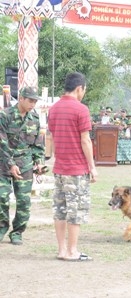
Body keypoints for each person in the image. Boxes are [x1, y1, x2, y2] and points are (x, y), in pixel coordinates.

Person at [47, 72, 98, 261]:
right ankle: (72, 251)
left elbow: (50, 137)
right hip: (76, 170)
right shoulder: (81, 109)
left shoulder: (53, 109)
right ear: (79, 88)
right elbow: (85, 140)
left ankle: (61, 250)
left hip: (59, 168)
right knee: (76, 212)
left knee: (60, 210)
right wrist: (92, 167)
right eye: (84, 90)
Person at [0, 87, 45, 245]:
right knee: (2, 198)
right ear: (21, 98)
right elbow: (2, 142)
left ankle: (17, 232)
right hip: (3, 165)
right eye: (30, 100)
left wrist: (39, 162)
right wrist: (11, 164)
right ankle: (1, 227)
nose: (33, 104)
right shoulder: (5, 115)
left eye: (35, 101)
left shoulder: (34, 118)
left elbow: (37, 144)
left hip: (25, 164)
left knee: (24, 202)